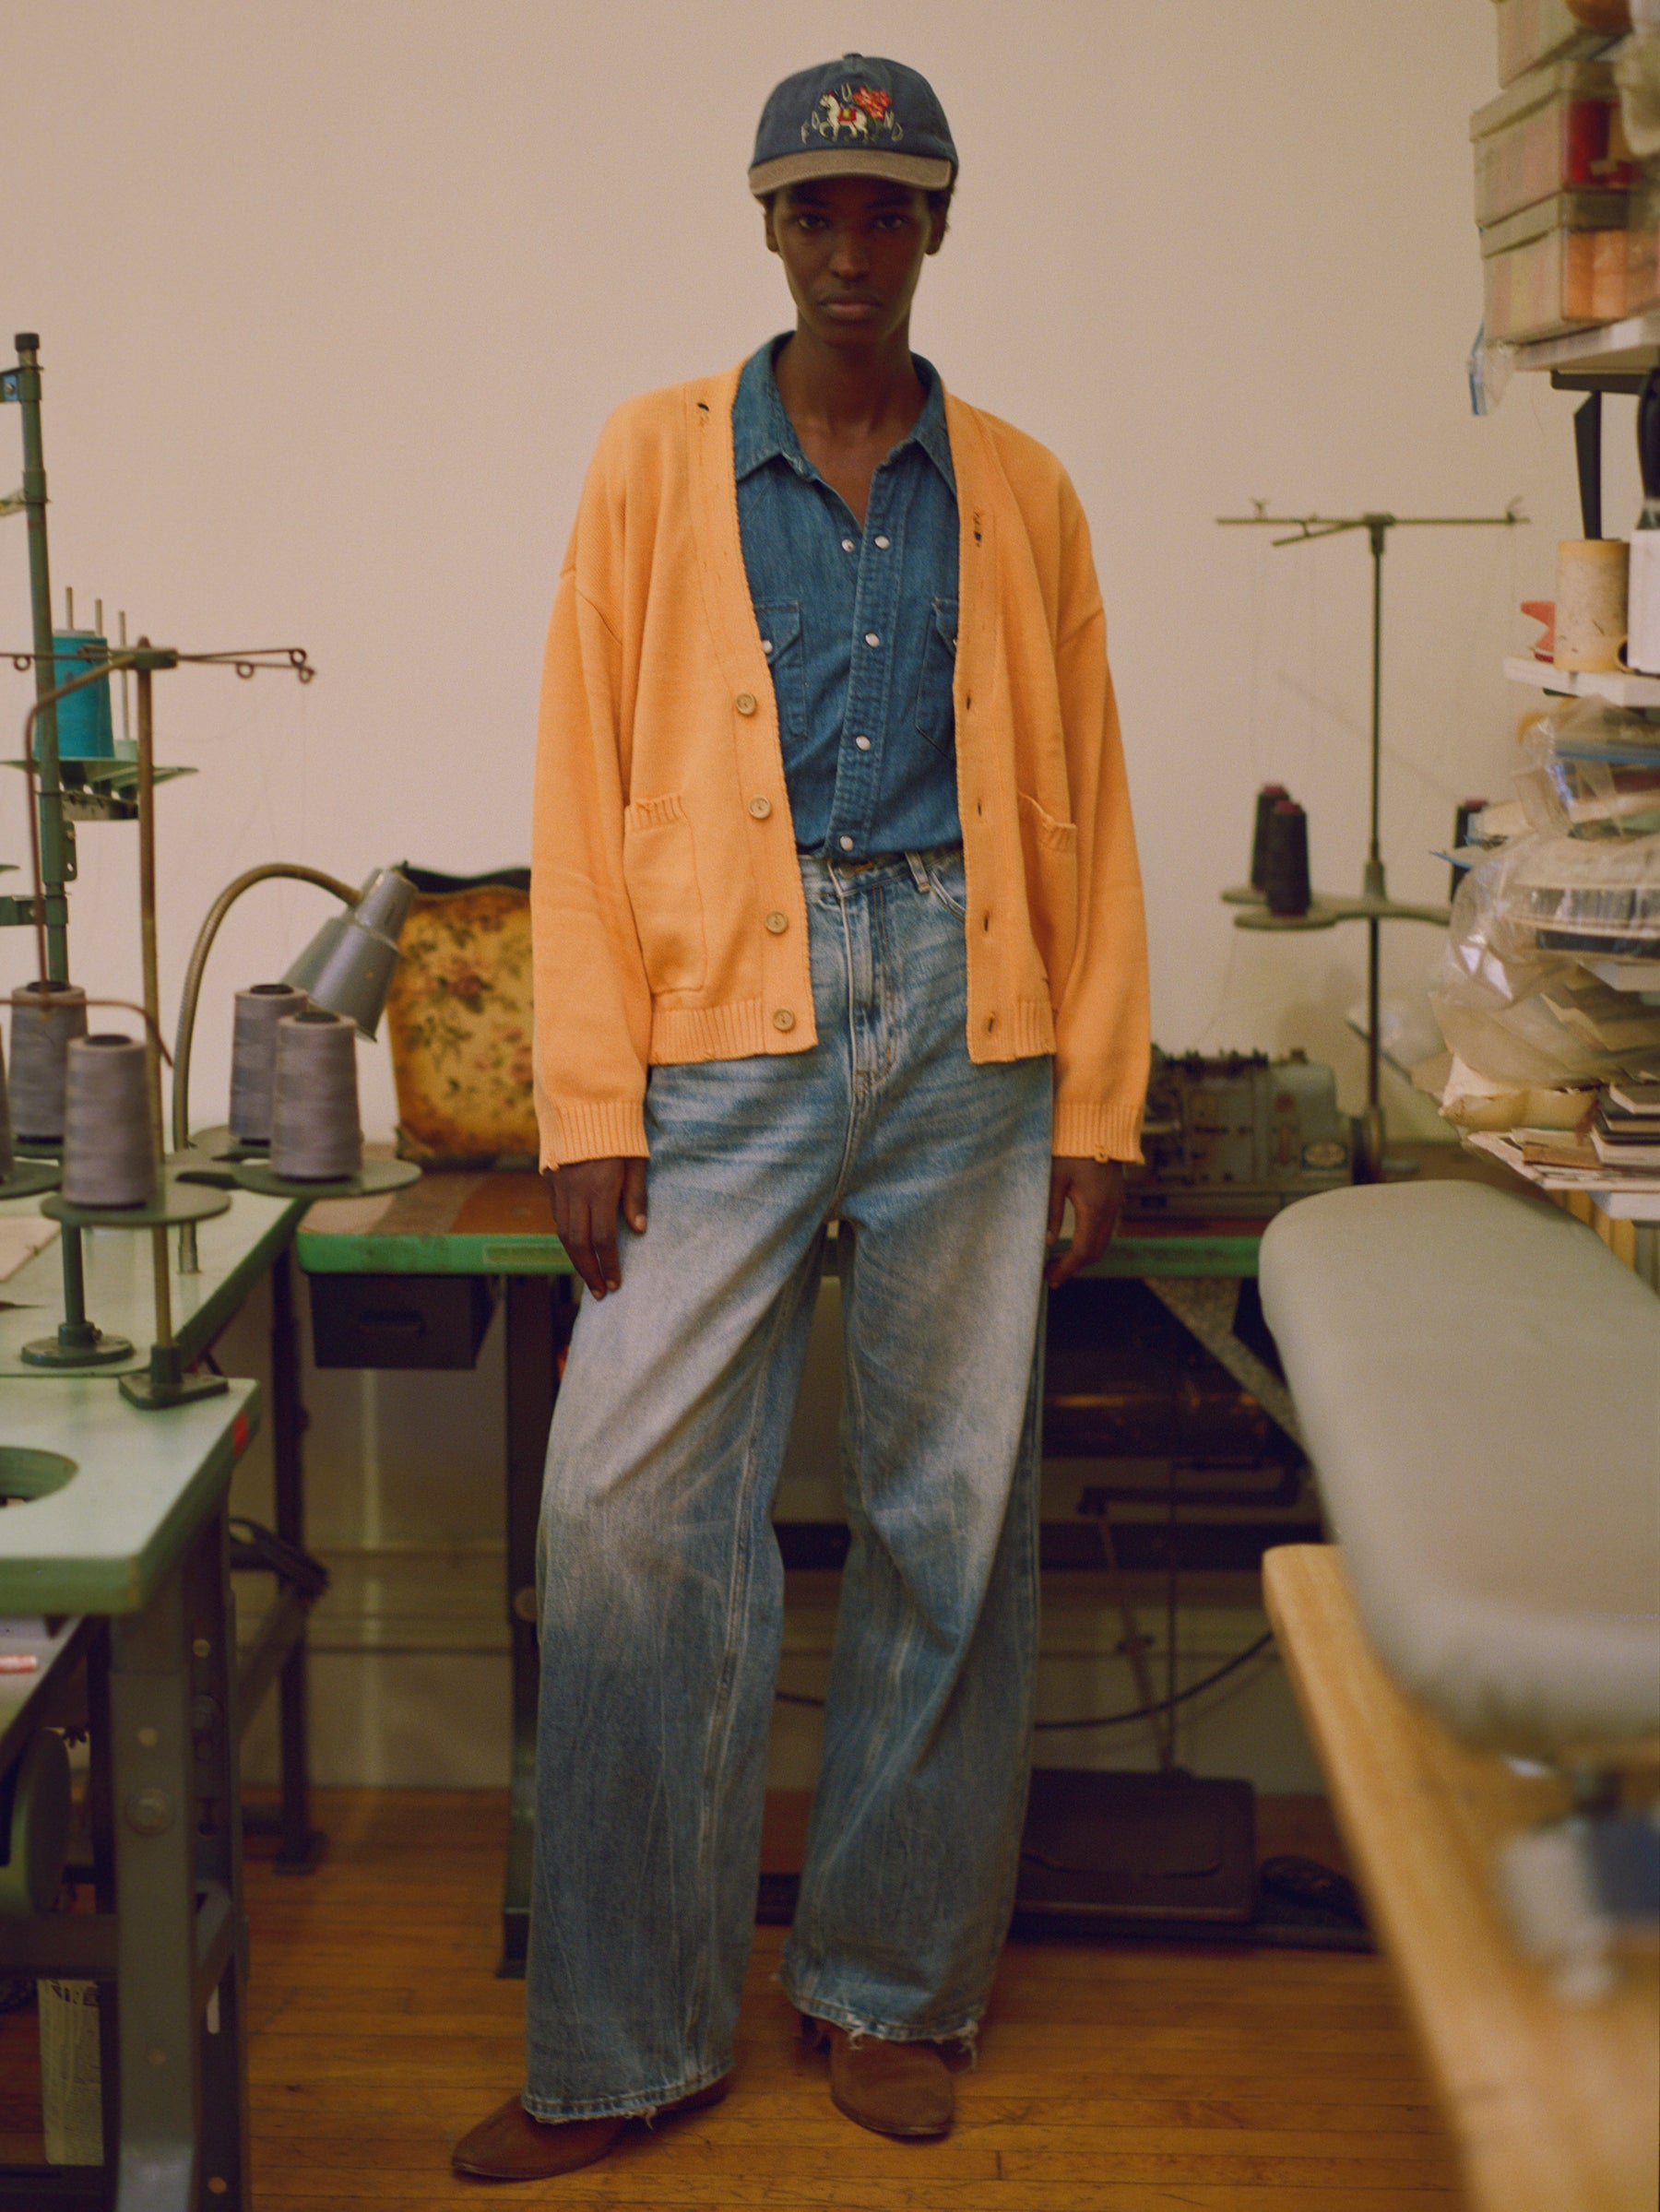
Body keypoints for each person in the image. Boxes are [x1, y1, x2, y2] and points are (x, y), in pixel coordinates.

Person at [453, 52, 1149, 2184]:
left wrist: (1099, 1100)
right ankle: (626, 2045)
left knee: (952, 1520)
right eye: (816, 209)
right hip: (719, 1038)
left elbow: (1091, 812)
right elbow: (578, 792)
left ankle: (886, 1986)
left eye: (891, 209)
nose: (852, 248)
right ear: (768, 226)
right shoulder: (650, 466)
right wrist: (590, 1088)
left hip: (972, 1024)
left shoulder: (1020, 490)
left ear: (939, 229)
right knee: (632, 1523)